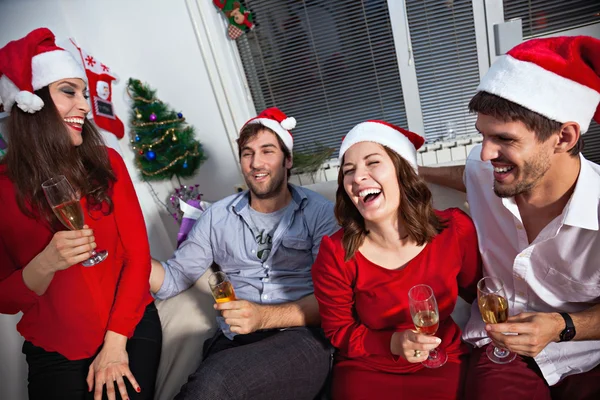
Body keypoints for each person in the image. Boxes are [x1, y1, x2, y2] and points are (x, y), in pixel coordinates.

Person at [419, 36, 600, 399]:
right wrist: (415, 170)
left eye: (504, 139)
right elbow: (467, 171)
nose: (486, 154)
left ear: (563, 137)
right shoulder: (482, 169)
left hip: (586, 354)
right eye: (482, 136)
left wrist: (563, 325)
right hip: (497, 346)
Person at [0, 28, 161, 400]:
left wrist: (116, 345)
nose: (85, 106)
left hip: (128, 328)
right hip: (55, 346)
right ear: (31, 103)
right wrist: (47, 263)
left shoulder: (107, 162)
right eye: (69, 92)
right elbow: (5, 300)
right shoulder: (4, 188)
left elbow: (138, 260)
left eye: (85, 93)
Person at [149, 107, 339, 400]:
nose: (256, 163)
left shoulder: (319, 213)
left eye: (267, 151)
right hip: (236, 342)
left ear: (287, 159)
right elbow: (174, 277)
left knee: (214, 384)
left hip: (301, 338)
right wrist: (128, 256)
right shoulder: (217, 217)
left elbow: (333, 298)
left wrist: (263, 317)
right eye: (247, 153)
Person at [311, 120, 482, 399]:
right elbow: (339, 330)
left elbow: (481, 293)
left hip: (441, 358)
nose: (357, 178)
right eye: (348, 171)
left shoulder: (454, 229)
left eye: (372, 163)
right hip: (368, 368)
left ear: (403, 172)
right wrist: (393, 342)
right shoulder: (335, 253)